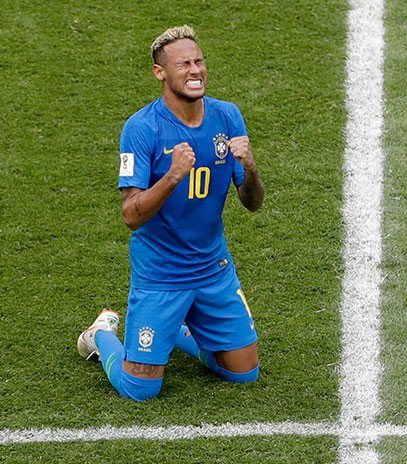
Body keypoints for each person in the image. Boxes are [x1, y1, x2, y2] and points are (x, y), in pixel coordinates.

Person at [76, 25, 265, 401]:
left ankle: (176, 329)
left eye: (199, 62)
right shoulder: (141, 128)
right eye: (183, 65)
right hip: (161, 274)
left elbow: (252, 202)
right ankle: (100, 334)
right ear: (160, 73)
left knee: (244, 373)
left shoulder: (228, 117)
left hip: (213, 268)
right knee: (140, 389)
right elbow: (130, 215)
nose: (195, 71)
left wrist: (251, 166)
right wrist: (172, 176)